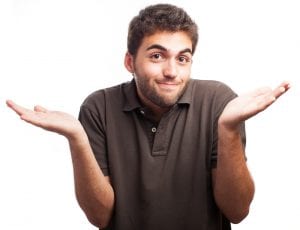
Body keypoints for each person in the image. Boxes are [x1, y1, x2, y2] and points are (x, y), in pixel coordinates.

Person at [6, 3, 290, 230]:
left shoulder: (219, 102)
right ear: (130, 62)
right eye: (157, 56)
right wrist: (77, 137)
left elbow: (237, 212)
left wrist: (227, 129)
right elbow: (100, 218)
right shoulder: (99, 107)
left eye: (182, 58)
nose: (172, 71)